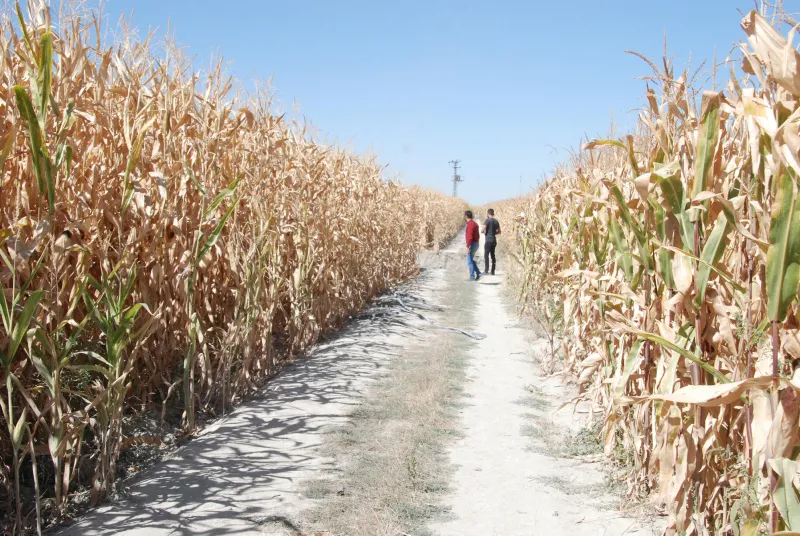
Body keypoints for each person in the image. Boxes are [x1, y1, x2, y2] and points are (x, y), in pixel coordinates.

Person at [481, 208, 501, 275]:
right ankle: (493, 271)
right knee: (493, 255)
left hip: (488, 240)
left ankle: (486, 270)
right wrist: (493, 233)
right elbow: (499, 231)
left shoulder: (487, 220)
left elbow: (482, 229)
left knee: (486, 255)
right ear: (493, 213)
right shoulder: (496, 221)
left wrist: (484, 231)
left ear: (488, 214)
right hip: (494, 240)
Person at [464, 210, 482, 281]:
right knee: (471, 259)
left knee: (469, 261)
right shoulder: (474, 224)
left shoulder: (470, 224)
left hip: (472, 244)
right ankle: (478, 273)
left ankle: (472, 277)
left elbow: (469, 237)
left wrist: (468, 246)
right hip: (476, 243)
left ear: (466, 216)